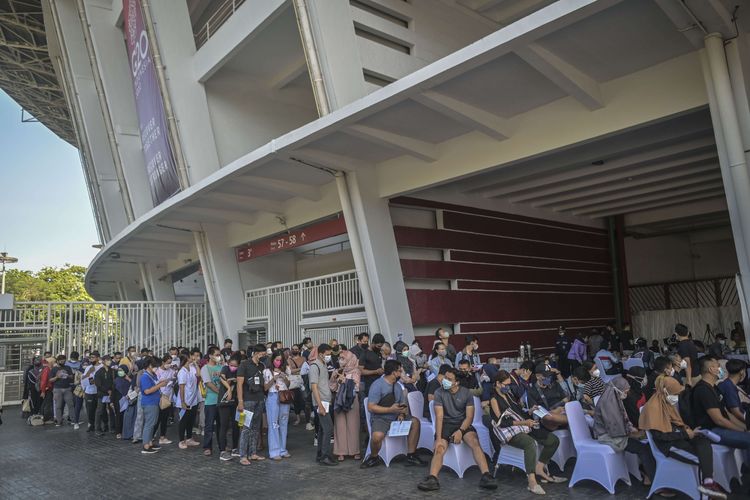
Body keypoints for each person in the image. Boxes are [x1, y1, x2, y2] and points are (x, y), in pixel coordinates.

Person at [639, 375, 726, 499]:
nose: (677, 397)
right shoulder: (653, 408)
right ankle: (704, 494)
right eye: (675, 394)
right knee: (701, 459)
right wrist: (685, 434)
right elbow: (660, 436)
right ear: (665, 391)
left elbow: (677, 424)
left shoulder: (666, 403)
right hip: (669, 445)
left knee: (702, 440)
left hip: (680, 438)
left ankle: (707, 482)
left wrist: (689, 431)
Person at [417, 368, 496, 491]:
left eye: (449, 379)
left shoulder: (466, 393)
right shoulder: (439, 392)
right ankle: (432, 478)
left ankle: (486, 475)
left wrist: (460, 431)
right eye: (445, 378)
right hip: (446, 424)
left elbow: (469, 417)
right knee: (439, 448)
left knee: (475, 442)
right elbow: (439, 416)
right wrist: (438, 438)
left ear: (456, 382)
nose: (445, 381)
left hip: (462, 424)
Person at [491, 370, 564, 495]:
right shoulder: (494, 399)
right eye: (506, 385)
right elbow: (501, 422)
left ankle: (539, 469)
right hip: (509, 431)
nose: (508, 387)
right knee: (530, 443)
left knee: (553, 440)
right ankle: (532, 481)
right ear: (498, 383)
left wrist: (530, 411)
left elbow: (519, 411)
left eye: (509, 385)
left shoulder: (508, 394)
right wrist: (524, 423)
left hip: (523, 425)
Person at [361, 360, 425, 469]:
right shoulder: (378, 385)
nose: (401, 374)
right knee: (377, 436)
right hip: (380, 418)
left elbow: (402, 404)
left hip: (396, 416)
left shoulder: (398, 386)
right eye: (400, 371)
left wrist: (401, 414)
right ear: (394, 372)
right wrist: (390, 410)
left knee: (415, 423)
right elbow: (371, 407)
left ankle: (411, 455)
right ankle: (373, 457)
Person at [594, 376, 655, 486]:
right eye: (625, 391)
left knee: (646, 444)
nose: (626, 394)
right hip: (609, 437)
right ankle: (653, 480)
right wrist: (633, 434)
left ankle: (647, 474)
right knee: (643, 449)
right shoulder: (608, 404)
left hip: (617, 433)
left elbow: (623, 419)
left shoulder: (614, 397)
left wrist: (632, 429)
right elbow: (615, 428)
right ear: (618, 389)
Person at [691, 357, 750, 449]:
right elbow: (719, 420)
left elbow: (727, 414)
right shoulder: (703, 390)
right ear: (711, 369)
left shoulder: (714, 388)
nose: (721, 369)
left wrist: (746, 428)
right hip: (711, 431)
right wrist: (743, 431)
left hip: (719, 427)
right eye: (718, 366)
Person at [237, 344, 267, 465]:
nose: (264, 356)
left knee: (256, 427)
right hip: (247, 400)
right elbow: (239, 384)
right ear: (256, 353)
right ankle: (243, 455)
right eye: (262, 354)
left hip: (259, 399)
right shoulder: (244, 365)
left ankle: (253, 453)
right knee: (245, 428)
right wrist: (240, 401)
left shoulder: (261, 365)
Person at [331, 349, 361, 461]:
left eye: (343, 358)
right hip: (339, 399)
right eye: (340, 358)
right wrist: (334, 378)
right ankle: (340, 451)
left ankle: (355, 451)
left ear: (349, 359)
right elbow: (332, 387)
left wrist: (346, 381)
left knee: (353, 425)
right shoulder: (338, 370)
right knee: (339, 425)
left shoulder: (356, 371)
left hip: (352, 400)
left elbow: (357, 387)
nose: (340, 361)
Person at [310, 343, 337, 466]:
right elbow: (314, 387)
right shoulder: (315, 366)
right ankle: (325, 455)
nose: (329, 356)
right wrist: (319, 405)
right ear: (321, 354)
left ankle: (320, 455)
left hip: (325, 401)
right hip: (321, 402)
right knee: (328, 428)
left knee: (322, 429)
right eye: (327, 354)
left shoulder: (323, 365)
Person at [263, 350, 291, 461]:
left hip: (284, 396)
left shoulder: (286, 369)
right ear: (273, 360)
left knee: (283, 422)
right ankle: (274, 451)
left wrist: (284, 377)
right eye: (277, 360)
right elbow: (265, 387)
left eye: (280, 360)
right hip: (272, 396)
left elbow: (289, 384)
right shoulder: (266, 371)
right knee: (273, 424)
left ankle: (283, 449)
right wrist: (273, 379)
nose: (278, 362)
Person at [140, 356, 170, 454]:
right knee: (149, 424)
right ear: (149, 365)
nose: (156, 368)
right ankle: (146, 445)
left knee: (152, 424)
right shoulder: (145, 376)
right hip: (149, 403)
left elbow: (155, 385)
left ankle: (150, 443)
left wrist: (161, 383)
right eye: (155, 366)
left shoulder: (152, 375)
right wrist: (160, 385)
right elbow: (147, 391)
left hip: (155, 402)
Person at [526, 363, 569, 429]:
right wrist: (555, 411)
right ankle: (574, 419)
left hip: (563, 411)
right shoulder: (531, 391)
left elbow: (566, 399)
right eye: (545, 377)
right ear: (537, 376)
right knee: (548, 417)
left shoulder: (555, 384)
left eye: (550, 376)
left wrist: (560, 408)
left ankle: (572, 419)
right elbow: (536, 411)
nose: (548, 379)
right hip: (548, 417)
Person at [217, 354, 241, 461]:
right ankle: (222, 450)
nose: (233, 367)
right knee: (224, 425)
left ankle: (235, 448)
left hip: (235, 402)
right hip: (224, 401)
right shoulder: (225, 368)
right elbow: (222, 378)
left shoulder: (239, 371)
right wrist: (229, 389)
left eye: (235, 366)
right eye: (231, 365)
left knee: (236, 425)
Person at [201, 346, 223, 456]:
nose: (218, 357)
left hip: (221, 402)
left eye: (219, 355)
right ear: (210, 356)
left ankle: (222, 445)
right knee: (209, 425)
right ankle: (207, 446)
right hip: (211, 401)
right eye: (217, 355)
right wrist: (221, 393)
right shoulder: (205, 368)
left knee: (221, 425)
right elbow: (208, 383)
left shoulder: (221, 367)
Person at [176, 352, 200, 450]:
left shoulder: (192, 367)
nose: (193, 358)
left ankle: (189, 438)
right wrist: (182, 401)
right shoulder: (182, 372)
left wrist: (195, 364)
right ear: (187, 359)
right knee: (183, 421)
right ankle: (181, 440)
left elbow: (199, 374)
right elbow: (181, 387)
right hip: (185, 400)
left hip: (193, 399)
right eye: (191, 357)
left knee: (191, 420)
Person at [717, 359, 748, 426]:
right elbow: (736, 412)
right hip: (735, 422)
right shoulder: (729, 387)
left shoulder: (726, 384)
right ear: (742, 372)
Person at [154, 355, 175, 445]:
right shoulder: (157, 371)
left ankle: (162, 436)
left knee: (164, 418)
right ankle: (151, 435)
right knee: (157, 418)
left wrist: (171, 381)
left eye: (170, 363)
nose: (169, 365)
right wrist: (164, 381)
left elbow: (173, 380)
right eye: (167, 363)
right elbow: (156, 383)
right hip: (159, 396)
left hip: (168, 397)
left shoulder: (171, 371)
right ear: (163, 362)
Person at [50, 354, 75, 427]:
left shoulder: (68, 367)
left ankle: (73, 420)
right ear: (57, 361)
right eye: (61, 361)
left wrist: (68, 375)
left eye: (64, 361)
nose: (63, 362)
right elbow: (50, 380)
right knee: (58, 406)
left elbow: (71, 377)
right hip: (57, 389)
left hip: (67, 389)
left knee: (70, 404)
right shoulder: (54, 369)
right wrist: (57, 377)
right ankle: (59, 421)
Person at [94, 354, 115, 436]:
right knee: (100, 411)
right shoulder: (99, 372)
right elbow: (98, 384)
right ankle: (97, 429)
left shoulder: (112, 371)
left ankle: (112, 427)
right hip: (102, 394)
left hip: (111, 394)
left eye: (110, 360)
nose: (109, 361)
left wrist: (111, 390)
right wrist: (107, 390)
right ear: (103, 361)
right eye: (107, 360)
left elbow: (114, 381)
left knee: (112, 411)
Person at [82, 351, 101, 432]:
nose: (91, 359)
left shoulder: (102, 367)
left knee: (100, 410)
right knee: (90, 410)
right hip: (89, 391)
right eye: (90, 358)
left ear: (98, 358)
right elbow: (83, 379)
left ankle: (100, 425)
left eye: (93, 357)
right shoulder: (88, 367)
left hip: (99, 391)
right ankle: (91, 424)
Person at [66, 352, 84, 429]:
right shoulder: (80, 364)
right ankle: (74, 419)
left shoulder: (66, 363)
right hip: (79, 387)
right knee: (77, 404)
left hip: (71, 385)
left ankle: (72, 418)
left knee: (73, 403)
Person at [113, 365, 131, 439]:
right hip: (118, 401)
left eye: (122, 370)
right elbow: (113, 391)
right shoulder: (116, 380)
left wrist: (129, 379)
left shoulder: (129, 379)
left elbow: (134, 386)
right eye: (119, 370)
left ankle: (126, 431)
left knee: (127, 416)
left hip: (128, 399)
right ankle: (118, 432)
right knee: (119, 417)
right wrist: (111, 402)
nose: (120, 372)